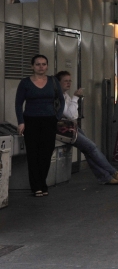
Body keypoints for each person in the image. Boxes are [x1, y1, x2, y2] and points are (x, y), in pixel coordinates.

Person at [56, 71, 118, 185]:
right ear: (58, 83)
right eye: (65, 81)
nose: (68, 83)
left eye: (70, 81)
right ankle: (112, 172)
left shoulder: (65, 96)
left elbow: (72, 115)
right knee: (91, 147)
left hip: (70, 126)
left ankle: (105, 177)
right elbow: (72, 115)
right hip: (63, 129)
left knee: (88, 149)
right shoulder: (59, 97)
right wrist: (75, 98)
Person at [15, 54, 60, 196]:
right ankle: (36, 187)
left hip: (49, 120)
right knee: (33, 154)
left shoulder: (53, 81)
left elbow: (61, 100)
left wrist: (57, 116)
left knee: (46, 152)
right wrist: (21, 122)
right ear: (32, 66)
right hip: (31, 120)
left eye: (44, 64)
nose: (41, 67)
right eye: (38, 64)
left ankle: (42, 182)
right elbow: (18, 103)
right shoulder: (25, 83)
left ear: (47, 66)